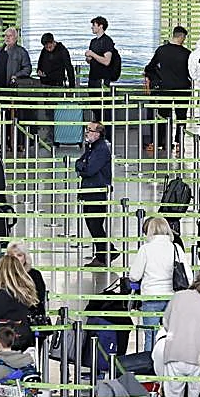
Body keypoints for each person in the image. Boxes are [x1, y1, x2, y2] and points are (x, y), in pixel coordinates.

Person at [129, 216, 191, 351]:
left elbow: (134, 276)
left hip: (151, 297)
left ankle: (150, 366)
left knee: (150, 336)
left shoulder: (146, 249)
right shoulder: (176, 248)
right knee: (172, 335)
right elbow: (189, 277)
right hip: (173, 298)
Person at [144, 26, 192, 154]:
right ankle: (179, 143)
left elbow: (149, 68)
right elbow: (191, 73)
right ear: (181, 37)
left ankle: (158, 142)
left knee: (162, 117)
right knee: (181, 117)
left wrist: (153, 79)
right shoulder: (187, 53)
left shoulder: (161, 51)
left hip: (164, 89)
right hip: (182, 89)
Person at [76, 120, 117, 267]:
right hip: (88, 191)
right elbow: (79, 162)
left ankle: (105, 254)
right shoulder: (92, 148)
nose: (87, 132)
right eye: (86, 129)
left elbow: (88, 169)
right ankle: (105, 253)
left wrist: (82, 166)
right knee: (93, 225)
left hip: (97, 193)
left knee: (95, 225)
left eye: (90, 130)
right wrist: (82, 165)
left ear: (98, 134)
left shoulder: (100, 150)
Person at [85, 16, 117, 131]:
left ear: (100, 26)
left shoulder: (107, 41)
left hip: (102, 79)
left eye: (94, 25)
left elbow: (106, 61)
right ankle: (97, 132)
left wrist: (92, 55)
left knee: (104, 109)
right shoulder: (93, 42)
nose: (92, 27)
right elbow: (92, 60)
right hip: (93, 78)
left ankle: (107, 135)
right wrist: (89, 58)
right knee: (95, 107)